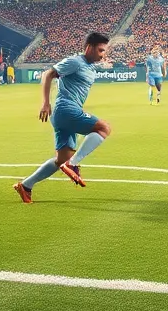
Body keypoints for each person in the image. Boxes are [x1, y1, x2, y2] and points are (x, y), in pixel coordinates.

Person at [13, 32, 113, 203]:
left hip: (65, 113)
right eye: (100, 50)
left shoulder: (89, 65)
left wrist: (103, 62)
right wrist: (45, 103)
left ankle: (26, 185)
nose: (103, 54)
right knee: (104, 128)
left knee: (61, 159)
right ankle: (73, 164)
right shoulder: (75, 61)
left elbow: (87, 69)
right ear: (89, 48)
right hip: (65, 109)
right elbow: (48, 74)